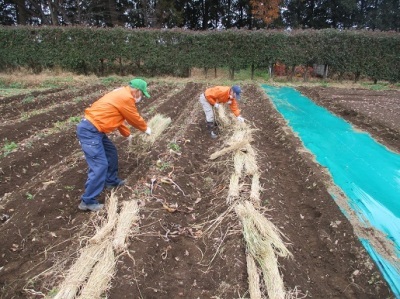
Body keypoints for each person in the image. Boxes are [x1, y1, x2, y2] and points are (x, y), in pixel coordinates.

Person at [76, 78, 151, 211]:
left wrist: (128, 135)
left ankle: (111, 181)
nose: (141, 98)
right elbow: (133, 117)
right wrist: (145, 129)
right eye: (142, 94)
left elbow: (118, 119)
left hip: (96, 129)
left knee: (111, 152)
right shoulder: (126, 97)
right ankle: (87, 201)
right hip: (90, 131)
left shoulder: (120, 93)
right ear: (137, 91)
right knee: (100, 165)